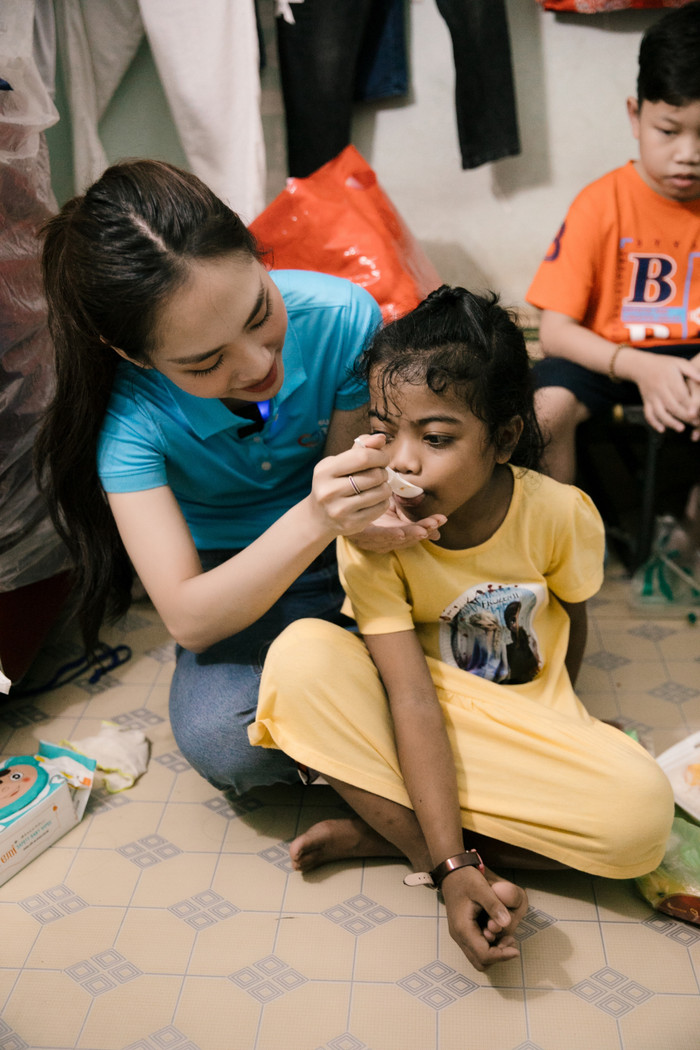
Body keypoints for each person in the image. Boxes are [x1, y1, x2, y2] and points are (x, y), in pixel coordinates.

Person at [249, 286, 675, 972]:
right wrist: (449, 868)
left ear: (504, 436)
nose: (403, 461)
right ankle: (442, 855)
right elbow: (410, 696)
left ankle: (387, 832)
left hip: (509, 727)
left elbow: (575, 621)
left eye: (436, 437)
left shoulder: (561, 514)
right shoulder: (372, 531)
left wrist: (565, 734)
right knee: (300, 657)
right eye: (386, 431)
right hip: (415, 712)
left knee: (643, 820)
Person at [35, 158, 446, 796]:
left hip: (343, 555)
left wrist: (372, 513)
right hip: (237, 581)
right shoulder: (131, 423)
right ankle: (411, 752)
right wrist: (317, 516)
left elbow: (354, 487)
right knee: (227, 745)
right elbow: (192, 619)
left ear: (258, 255)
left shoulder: (342, 317)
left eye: (260, 314)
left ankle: (375, 755)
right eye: (205, 363)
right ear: (131, 353)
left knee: (490, 642)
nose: (258, 365)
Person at [526, 2, 700, 486]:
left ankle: (688, 539)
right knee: (543, 411)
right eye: (668, 131)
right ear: (635, 115)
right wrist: (640, 368)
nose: (688, 155)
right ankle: (562, 548)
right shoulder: (600, 203)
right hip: (611, 359)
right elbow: (556, 334)